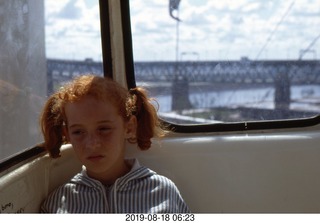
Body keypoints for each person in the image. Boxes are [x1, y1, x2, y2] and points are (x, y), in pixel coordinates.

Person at [39, 74, 190, 213]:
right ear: (67, 135)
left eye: (104, 129)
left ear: (129, 127)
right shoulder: (56, 204)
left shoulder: (163, 192)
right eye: (78, 132)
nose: (92, 143)